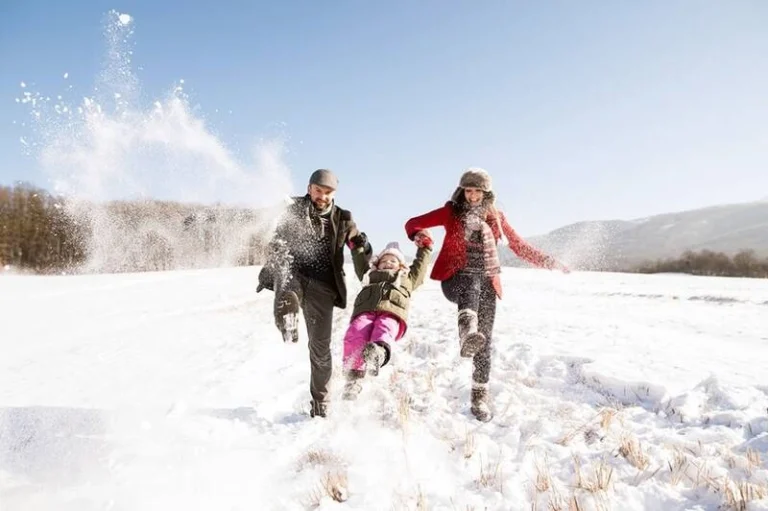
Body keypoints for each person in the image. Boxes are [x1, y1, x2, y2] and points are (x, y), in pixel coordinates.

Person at [404, 167, 568, 422]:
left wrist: (550, 262)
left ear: (486, 193)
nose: (471, 196)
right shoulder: (451, 212)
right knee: (472, 281)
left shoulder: (496, 217)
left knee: (485, 341)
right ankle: (466, 329)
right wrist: (421, 237)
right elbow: (413, 223)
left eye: (477, 191)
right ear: (462, 191)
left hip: (488, 283)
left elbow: (519, 246)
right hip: (455, 280)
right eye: (468, 191)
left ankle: (479, 398)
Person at [256, 169, 373, 418]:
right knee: (287, 284)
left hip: (323, 286)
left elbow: (358, 249)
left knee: (320, 349)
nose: (322, 196)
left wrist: (365, 260)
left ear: (334, 193)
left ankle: (321, 405)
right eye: (318, 190)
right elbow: (271, 233)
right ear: (309, 188)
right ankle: (287, 318)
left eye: (327, 192)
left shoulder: (344, 219)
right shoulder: (292, 208)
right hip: (295, 272)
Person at [340, 236, 433, 400]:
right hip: (366, 311)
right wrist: (357, 248)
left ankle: (378, 353)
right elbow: (360, 262)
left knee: (384, 328)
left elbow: (420, 267)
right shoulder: (369, 274)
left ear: (401, 265)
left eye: (393, 261)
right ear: (377, 263)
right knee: (355, 332)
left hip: (391, 312)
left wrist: (425, 248)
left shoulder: (407, 278)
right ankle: (353, 379)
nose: (388, 263)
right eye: (385, 260)